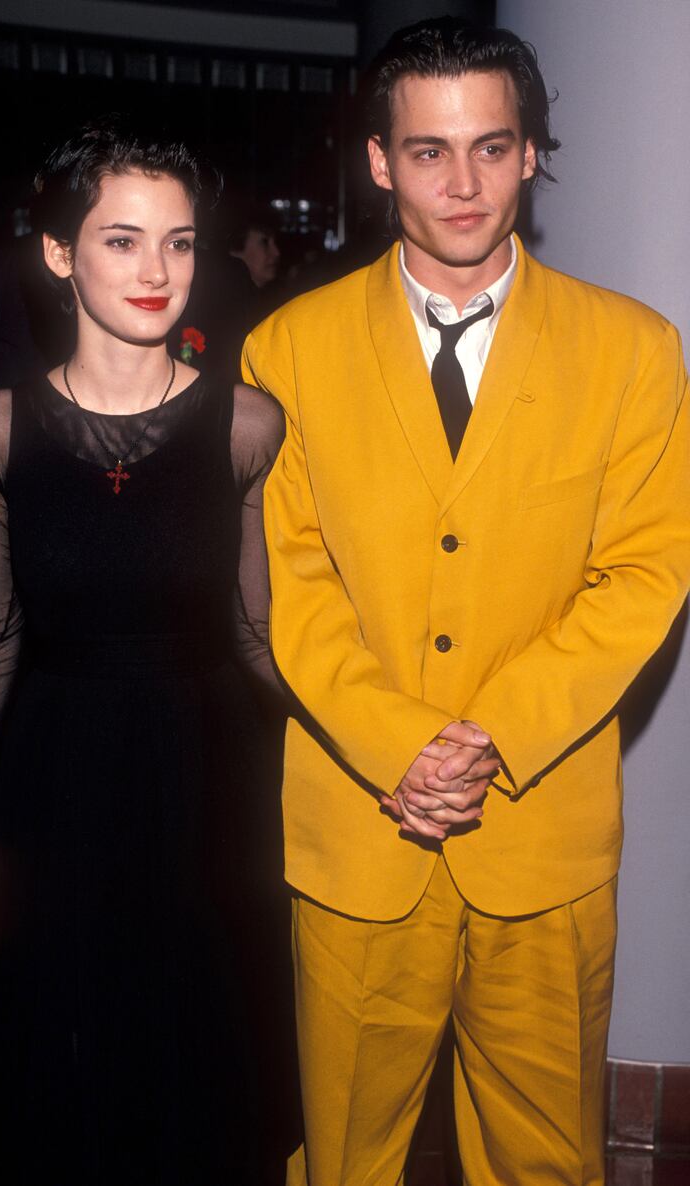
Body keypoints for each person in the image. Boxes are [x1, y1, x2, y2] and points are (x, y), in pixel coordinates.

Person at [242, 16, 690, 1186]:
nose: (463, 181)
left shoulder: (633, 352)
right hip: (356, 829)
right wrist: (395, 742)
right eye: (428, 152)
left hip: (541, 835)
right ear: (379, 161)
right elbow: (282, 580)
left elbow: (645, 569)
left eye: (491, 147)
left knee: (546, 1159)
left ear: (531, 154)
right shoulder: (284, 350)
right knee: (344, 1157)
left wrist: (491, 735)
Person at [0, 114, 296, 1186]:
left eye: (179, 241)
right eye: (122, 239)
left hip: (202, 778)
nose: (157, 269)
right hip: (53, 775)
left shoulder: (246, 425)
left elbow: (254, 631)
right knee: (59, 1057)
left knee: (193, 1057)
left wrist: (374, 746)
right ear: (58, 254)